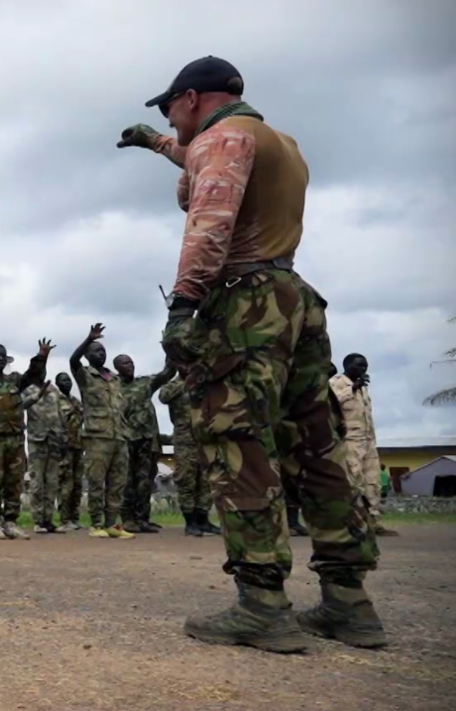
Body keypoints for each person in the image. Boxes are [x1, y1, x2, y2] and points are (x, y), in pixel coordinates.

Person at [120, 55, 383, 650]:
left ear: (191, 98)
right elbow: (198, 159)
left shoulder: (224, 138)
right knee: (316, 445)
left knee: (238, 445)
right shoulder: (278, 142)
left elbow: (210, 218)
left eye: (168, 108)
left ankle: (262, 603)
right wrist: (155, 144)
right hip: (293, 299)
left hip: (243, 303)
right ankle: (349, 601)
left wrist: (183, 307)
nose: (169, 118)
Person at [0, 338, 53, 540]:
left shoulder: (14, 381)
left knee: (14, 482)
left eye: (3, 356)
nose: (0, 359)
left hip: (15, 439)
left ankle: (11, 521)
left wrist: (42, 356)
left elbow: (33, 375)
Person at [69, 324, 133, 540]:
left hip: (119, 436)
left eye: (103, 351)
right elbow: (73, 361)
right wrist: (88, 339)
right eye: (96, 350)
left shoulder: (114, 379)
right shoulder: (85, 375)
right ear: (87, 355)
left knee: (117, 483)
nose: (101, 353)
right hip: (97, 437)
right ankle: (96, 524)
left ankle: (112, 524)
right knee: (96, 481)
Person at [330, 354, 396, 537]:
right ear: (348, 365)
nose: (363, 369)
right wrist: (352, 389)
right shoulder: (337, 383)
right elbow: (331, 405)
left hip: (368, 441)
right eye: (359, 366)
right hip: (350, 441)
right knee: (354, 480)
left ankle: (372, 521)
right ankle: (354, 522)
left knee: (372, 482)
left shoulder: (363, 389)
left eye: (365, 366)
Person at [115, 354, 176, 534]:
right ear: (117, 367)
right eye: (125, 363)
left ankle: (142, 519)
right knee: (127, 481)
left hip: (146, 440)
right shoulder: (112, 387)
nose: (130, 366)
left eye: (132, 362)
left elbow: (167, 373)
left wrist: (170, 352)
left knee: (145, 481)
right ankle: (127, 519)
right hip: (125, 439)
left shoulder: (145, 383)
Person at [158, 371, 219, 536]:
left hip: (206, 437)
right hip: (185, 438)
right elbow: (163, 397)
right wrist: (187, 383)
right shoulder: (173, 385)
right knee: (187, 479)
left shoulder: (205, 382)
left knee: (206, 479)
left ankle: (203, 520)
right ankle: (190, 522)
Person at [21, 380, 69, 535]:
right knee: (37, 481)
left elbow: (60, 414)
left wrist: (63, 437)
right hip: (37, 439)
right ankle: (38, 520)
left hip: (54, 439)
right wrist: (37, 396)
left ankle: (49, 519)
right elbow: (21, 406)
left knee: (52, 481)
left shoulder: (53, 389)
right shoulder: (27, 389)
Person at [53, 373, 85, 532]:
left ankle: (75, 517)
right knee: (66, 484)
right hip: (64, 448)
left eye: (68, 380)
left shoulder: (76, 401)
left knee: (78, 484)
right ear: (57, 383)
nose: (67, 383)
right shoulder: (56, 402)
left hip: (78, 445)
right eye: (63, 380)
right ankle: (64, 519)